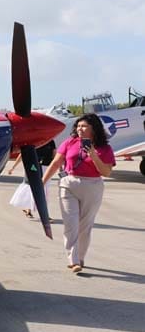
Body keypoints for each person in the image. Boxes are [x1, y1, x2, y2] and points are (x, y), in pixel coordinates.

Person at [41, 114, 115, 274]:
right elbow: (56, 163)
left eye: (84, 126)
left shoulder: (105, 148)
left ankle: (80, 257)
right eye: (78, 126)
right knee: (70, 224)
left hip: (93, 186)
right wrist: (42, 182)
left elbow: (106, 172)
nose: (80, 129)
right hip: (69, 184)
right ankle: (73, 260)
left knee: (85, 226)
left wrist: (94, 155)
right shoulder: (69, 142)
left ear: (94, 129)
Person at [7, 139, 56, 219]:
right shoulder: (34, 140)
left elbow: (54, 154)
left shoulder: (50, 140)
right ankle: (29, 209)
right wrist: (13, 167)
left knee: (44, 190)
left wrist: (57, 166)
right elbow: (23, 154)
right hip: (33, 167)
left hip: (46, 167)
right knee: (31, 187)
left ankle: (43, 213)